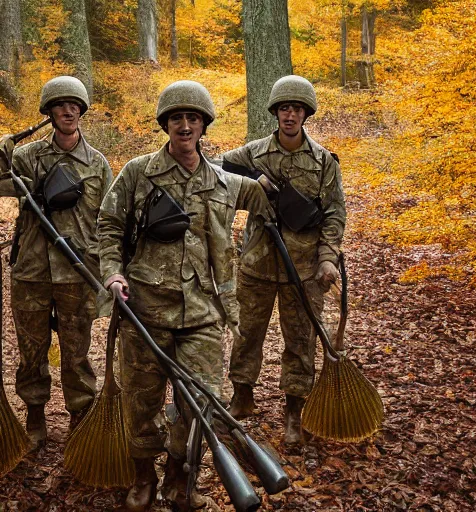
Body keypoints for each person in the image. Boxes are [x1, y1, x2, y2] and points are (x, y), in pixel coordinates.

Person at [97, 80, 272, 512]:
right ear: (166, 124)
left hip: (202, 314)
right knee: (141, 401)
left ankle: (179, 478)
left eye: (193, 118)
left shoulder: (223, 181)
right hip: (144, 310)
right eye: (177, 118)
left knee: (201, 405)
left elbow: (266, 199)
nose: (186, 125)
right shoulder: (138, 173)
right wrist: (113, 274)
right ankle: (143, 478)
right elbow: (108, 227)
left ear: (204, 125)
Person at [223, 75, 346, 444]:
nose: (289, 115)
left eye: (295, 109)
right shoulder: (253, 153)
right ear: (275, 113)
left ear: (306, 114)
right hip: (257, 263)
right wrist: (252, 183)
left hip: (305, 269)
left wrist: (327, 259)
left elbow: (335, 214)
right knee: (246, 335)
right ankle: (242, 396)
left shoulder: (324, 161)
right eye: (283, 109)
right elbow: (216, 172)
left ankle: (295, 408)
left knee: (301, 339)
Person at [0, 76, 113, 451]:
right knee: (32, 348)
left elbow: (109, 219)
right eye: (60, 106)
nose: (68, 111)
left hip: (78, 273)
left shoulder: (97, 163)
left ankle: (81, 413)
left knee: (77, 350)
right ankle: (35, 413)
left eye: (74, 106)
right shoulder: (26, 156)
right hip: (31, 269)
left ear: (82, 111)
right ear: (48, 113)